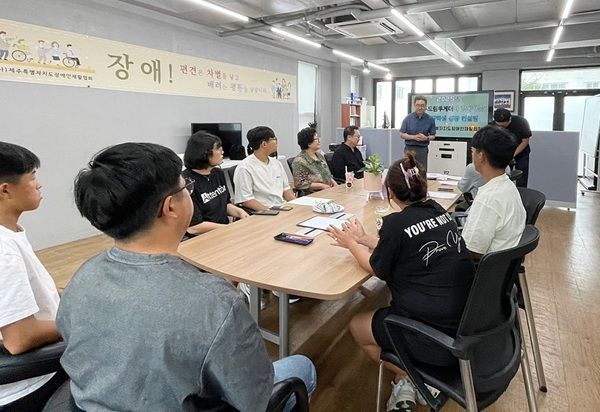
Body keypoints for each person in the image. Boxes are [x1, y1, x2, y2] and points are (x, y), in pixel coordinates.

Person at [57, 142, 316, 411]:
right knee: (302, 366)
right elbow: (254, 398)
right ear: (171, 207)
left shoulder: (82, 277)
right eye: (187, 188)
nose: (189, 192)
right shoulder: (216, 302)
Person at [328, 153, 474, 412]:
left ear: (391, 192)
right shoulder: (438, 211)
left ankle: (414, 378)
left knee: (357, 325)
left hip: (437, 340)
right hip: (466, 324)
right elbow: (408, 247)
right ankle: (414, 378)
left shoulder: (395, 223)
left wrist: (350, 243)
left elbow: (376, 268)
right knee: (391, 296)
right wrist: (364, 239)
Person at [0, 142, 65, 411]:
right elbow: (20, 338)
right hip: (27, 386)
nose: (39, 185)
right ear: (5, 190)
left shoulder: (10, 234)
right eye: (32, 177)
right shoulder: (3, 251)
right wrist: (83, 318)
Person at [461, 125, 526, 259]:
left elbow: (471, 250)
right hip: (502, 261)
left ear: (481, 156)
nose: (471, 155)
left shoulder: (488, 199)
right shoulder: (508, 185)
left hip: (482, 266)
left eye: (472, 151)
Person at [182, 131, 249, 237]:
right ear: (204, 153)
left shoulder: (217, 173)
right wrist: (229, 228)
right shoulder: (186, 183)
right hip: (202, 237)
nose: (222, 152)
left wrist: (240, 213)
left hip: (223, 232)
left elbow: (225, 205)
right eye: (218, 148)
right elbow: (194, 227)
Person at [233, 126, 295, 211]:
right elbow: (246, 200)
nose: (277, 142)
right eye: (274, 139)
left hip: (281, 207)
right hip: (264, 211)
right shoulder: (244, 167)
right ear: (264, 144)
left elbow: (286, 189)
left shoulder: (277, 163)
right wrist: (270, 212)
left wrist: (297, 205)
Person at [493, 108, 532, 187]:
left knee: (522, 176)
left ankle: (521, 193)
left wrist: (512, 155)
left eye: (504, 125)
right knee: (502, 176)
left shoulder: (521, 122)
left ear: (510, 119)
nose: (501, 128)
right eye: (499, 126)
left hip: (521, 152)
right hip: (504, 153)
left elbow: (525, 141)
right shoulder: (492, 126)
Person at [291, 127, 336, 195]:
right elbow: (299, 184)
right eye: (316, 139)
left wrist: (333, 182)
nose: (319, 141)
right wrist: (321, 186)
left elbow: (326, 174)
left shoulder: (319, 156)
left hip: (328, 191)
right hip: (313, 194)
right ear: (309, 143)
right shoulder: (299, 161)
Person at [400, 95, 436, 170]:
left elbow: (433, 136)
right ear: (414, 105)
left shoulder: (430, 120)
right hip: (409, 149)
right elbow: (402, 134)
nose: (420, 107)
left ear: (425, 106)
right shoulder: (408, 118)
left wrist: (426, 138)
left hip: (422, 150)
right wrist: (414, 137)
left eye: (422, 105)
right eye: (418, 105)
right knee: (408, 171)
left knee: (422, 171)